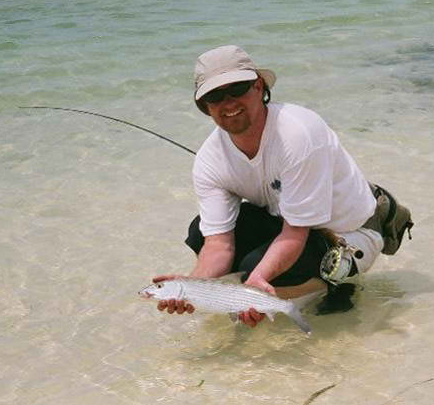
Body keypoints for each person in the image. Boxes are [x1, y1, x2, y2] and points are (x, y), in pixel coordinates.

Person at [153, 45, 412, 328]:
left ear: (259, 86)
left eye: (237, 89)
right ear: (205, 106)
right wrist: (190, 287)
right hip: (292, 226)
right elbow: (219, 245)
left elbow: (295, 233)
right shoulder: (209, 159)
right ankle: (276, 290)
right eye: (214, 96)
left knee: (253, 267)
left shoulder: (298, 132)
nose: (228, 103)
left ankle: (337, 284)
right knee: (199, 230)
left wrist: (255, 282)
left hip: (350, 233)